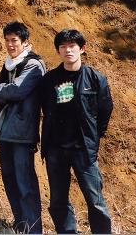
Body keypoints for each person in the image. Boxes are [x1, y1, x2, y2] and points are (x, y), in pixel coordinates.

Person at [39, 29, 114, 234]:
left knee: (95, 200)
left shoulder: (96, 78)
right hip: (56, 149)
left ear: (82, 49)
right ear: (58, 51)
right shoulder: (49, 80)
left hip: (84, 149)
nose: (68, 50)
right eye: (63, 47)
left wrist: (94, 136)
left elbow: (105, 109)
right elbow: (45, 108)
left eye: (72, 46)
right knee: (58, 200)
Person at [0, 22, 45, 233]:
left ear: (25, 42)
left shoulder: (34, 64)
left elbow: (16, 91)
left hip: (22, 132)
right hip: (5, 130)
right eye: (7, 40)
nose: (10, 44)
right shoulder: (10, 64)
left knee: (25, 183)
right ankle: (20, 225)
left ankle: (33, 229)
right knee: (10, 179)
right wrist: (2, 91)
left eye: (14, 40)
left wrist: (1, 90)